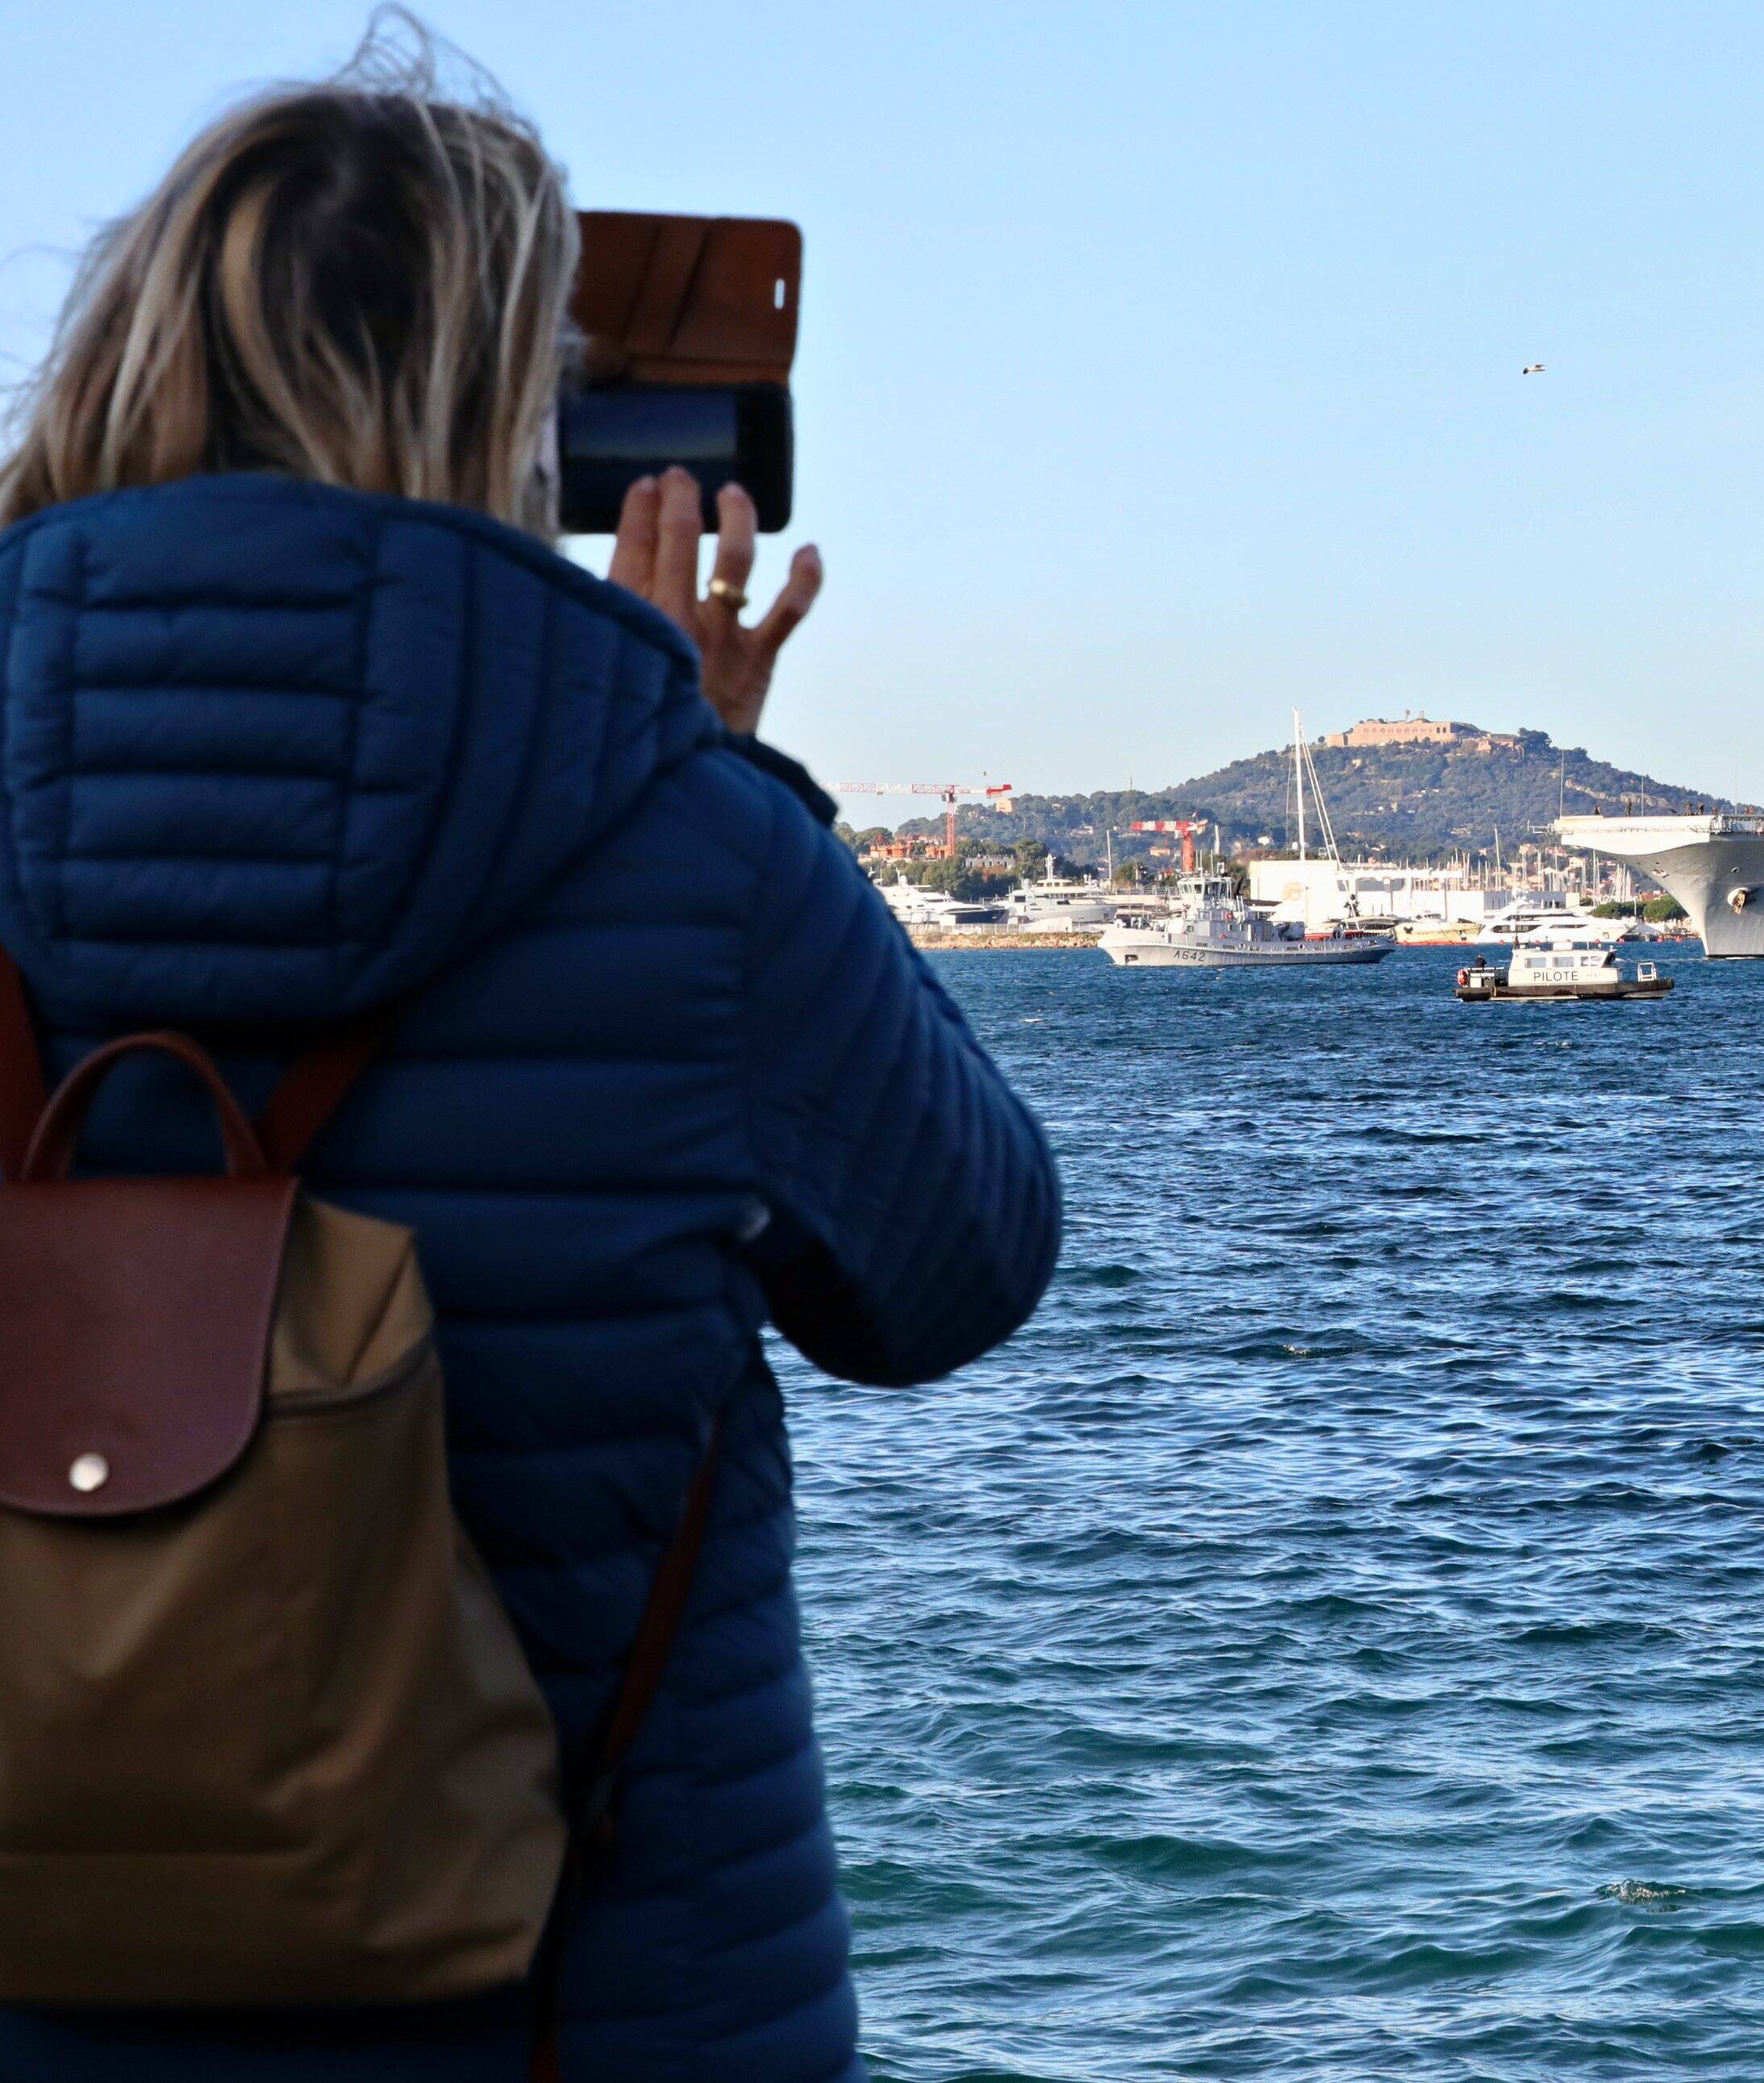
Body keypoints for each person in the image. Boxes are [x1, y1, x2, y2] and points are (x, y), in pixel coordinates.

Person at [0, 28, 1058, 2083]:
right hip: (596, 2002)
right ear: (507, 412)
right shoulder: (680, 831)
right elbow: (960, 1272)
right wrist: (733, 773)